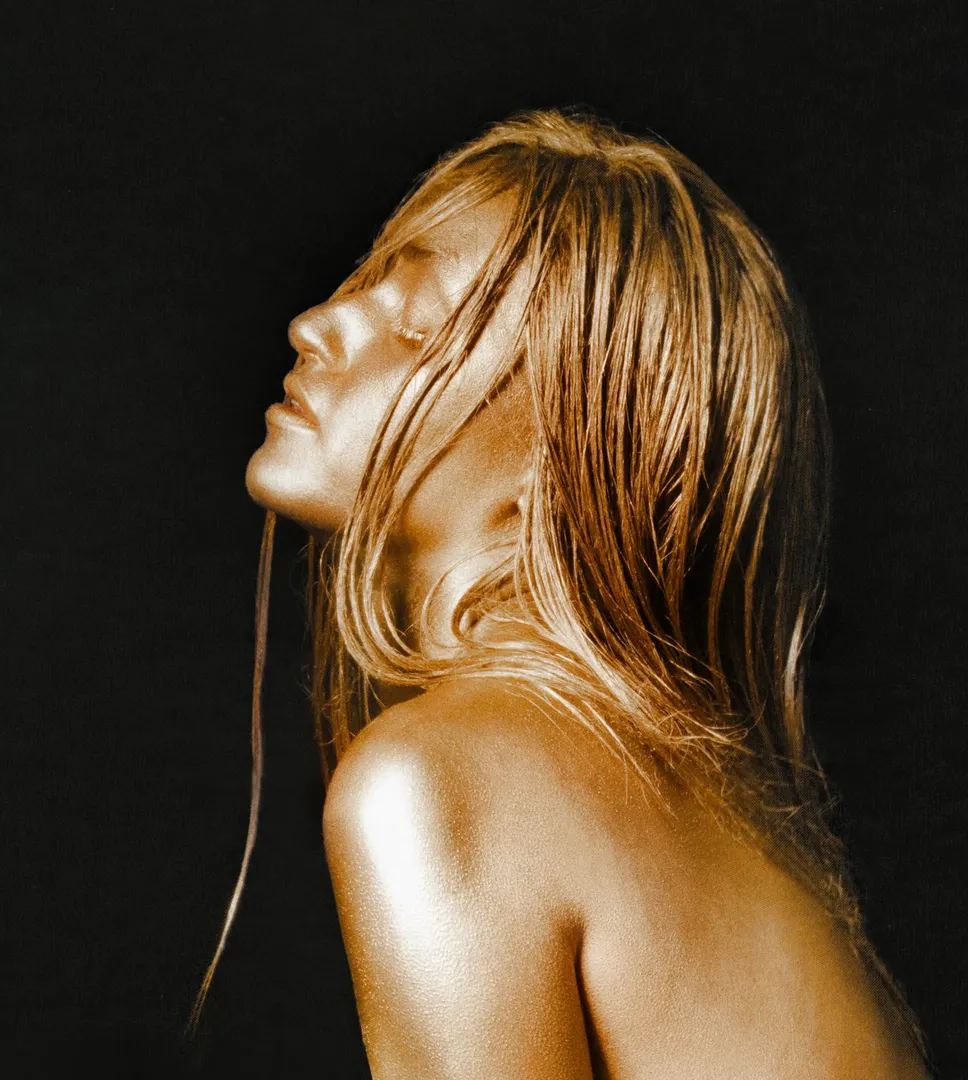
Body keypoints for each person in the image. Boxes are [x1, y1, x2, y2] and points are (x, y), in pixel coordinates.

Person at [237, 108, 927, 1078]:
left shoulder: (438, 782)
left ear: (557, 472)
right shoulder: (718, 815)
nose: (314, 325)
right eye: (362, 287)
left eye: (417, 326)